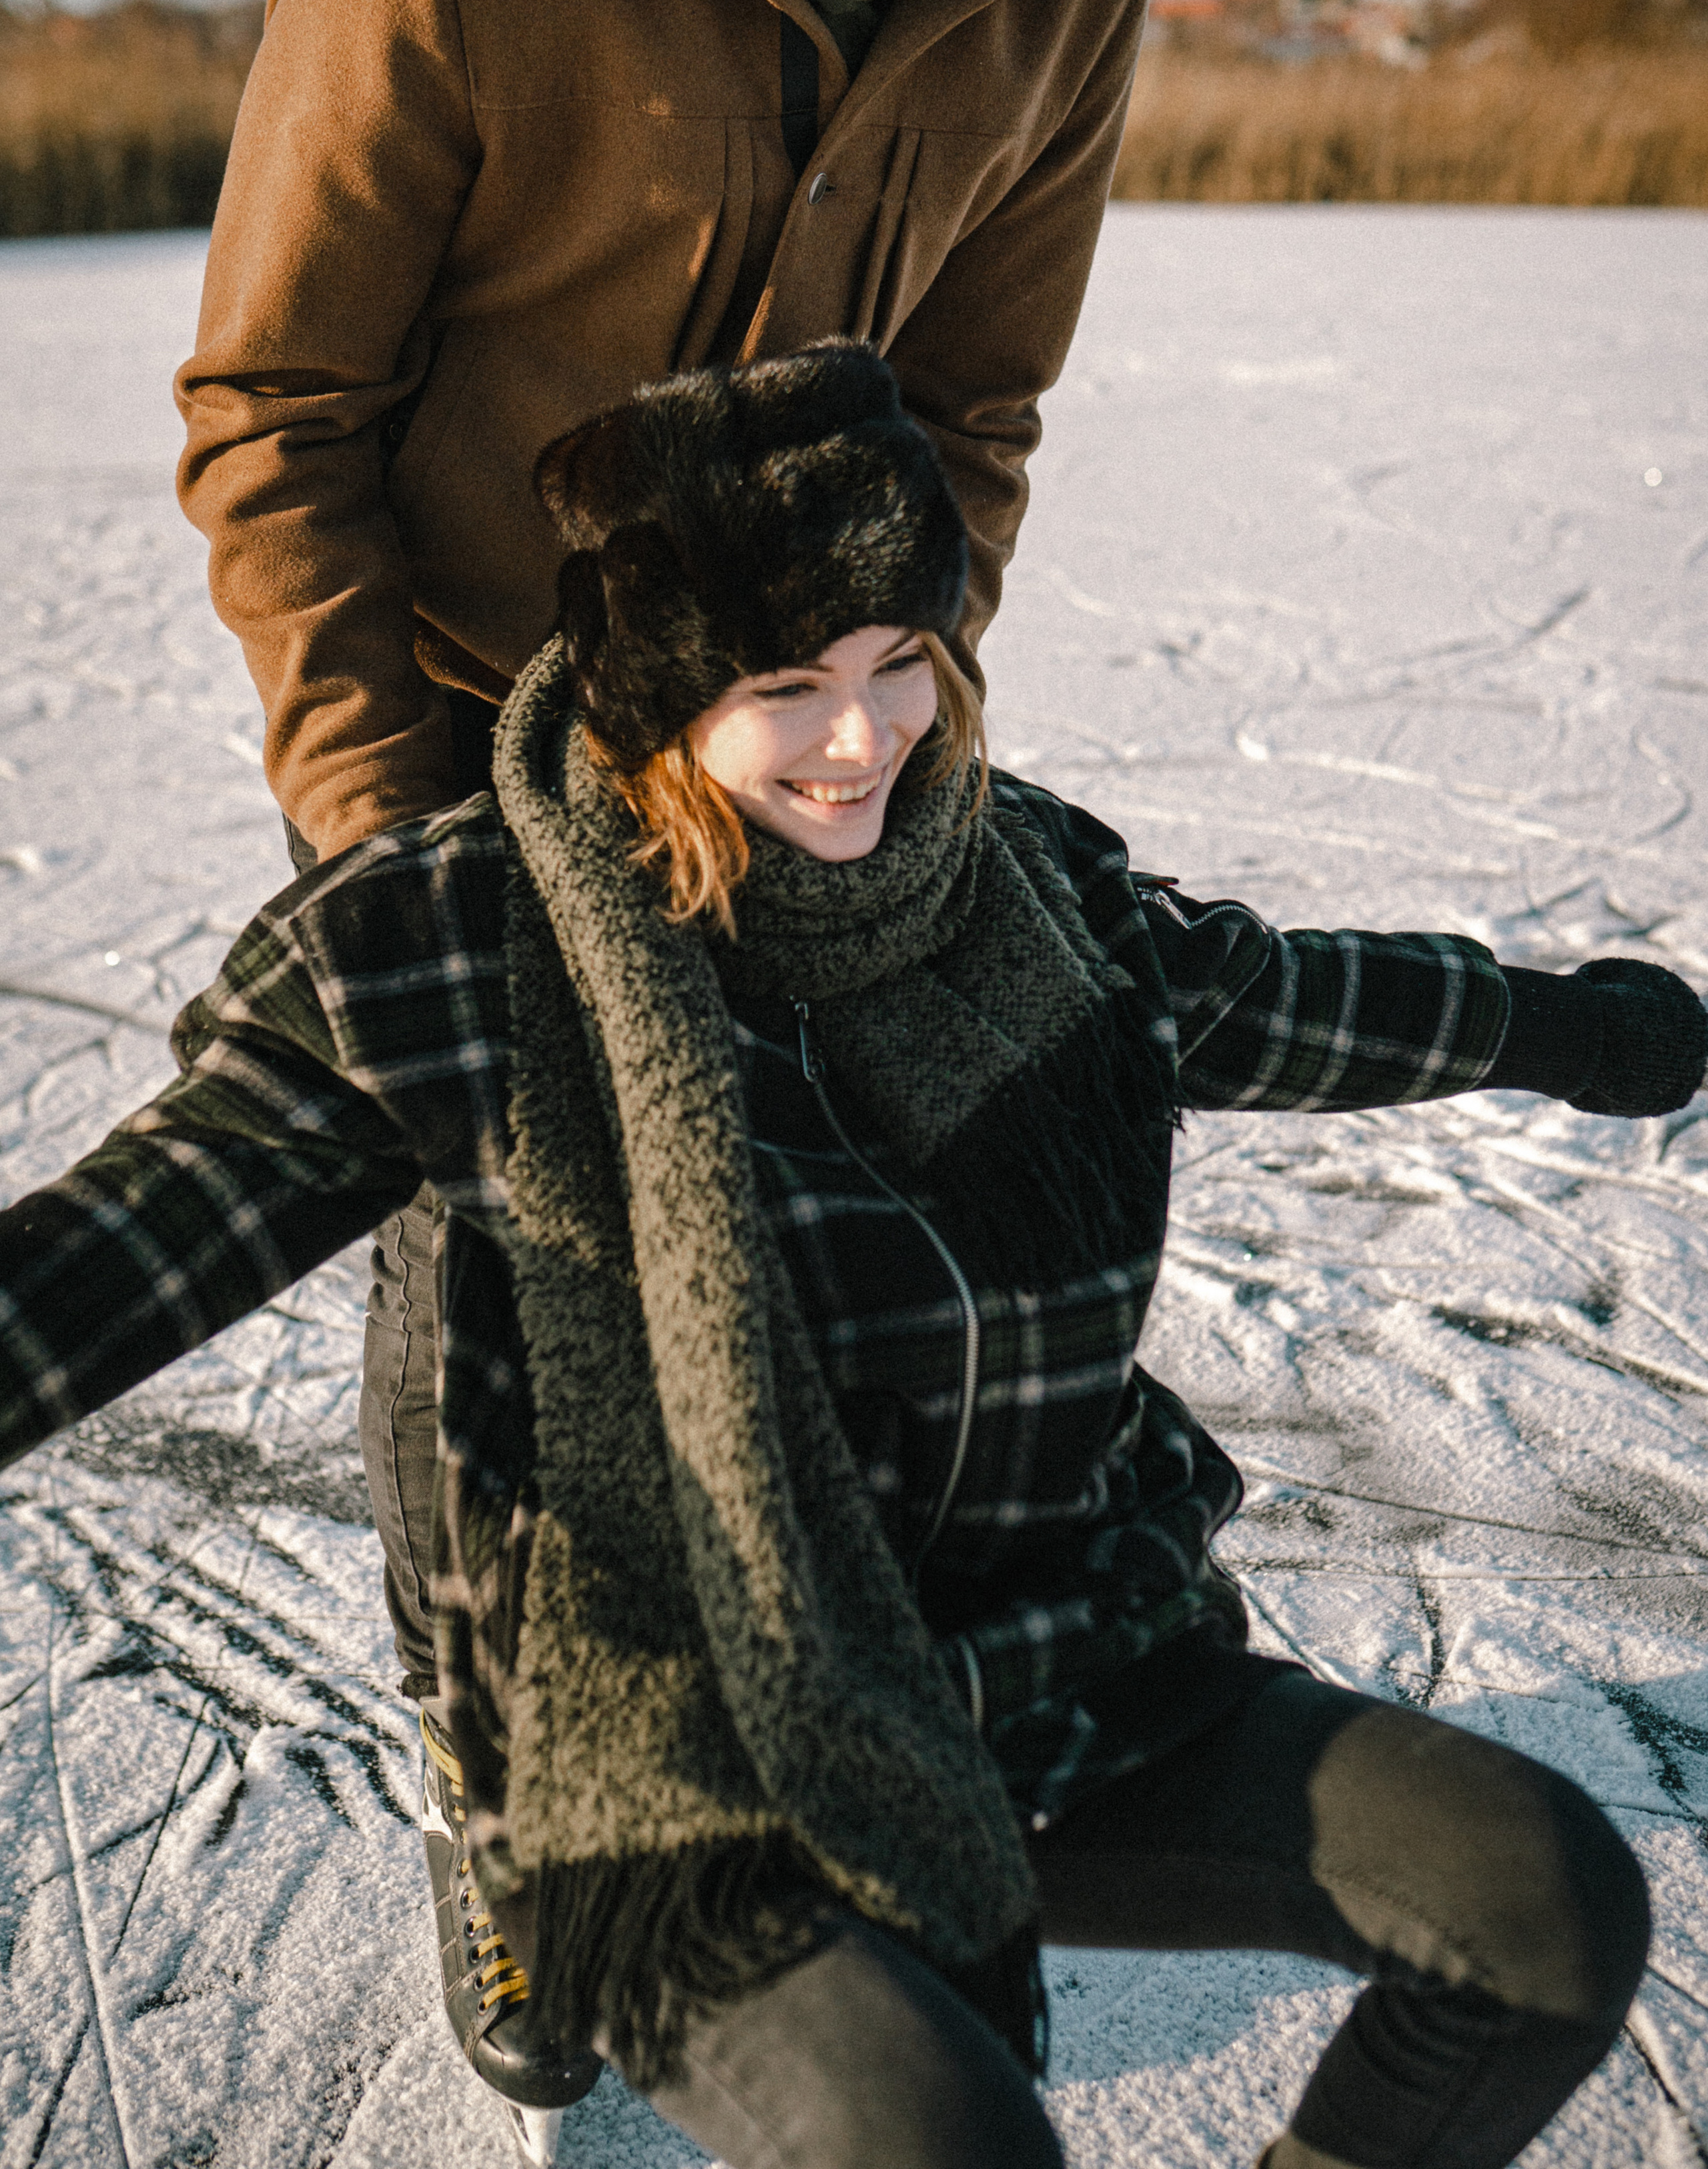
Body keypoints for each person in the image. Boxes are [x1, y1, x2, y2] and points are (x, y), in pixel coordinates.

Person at [1, 345, 1697, 2169]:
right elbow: (141, 1237)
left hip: (1049, 1662)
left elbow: (1279, 999)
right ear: (660, 699)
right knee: (943, 2141)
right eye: (786, 686)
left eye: (900, 663)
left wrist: (1572, 1027)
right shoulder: (463, 946)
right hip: (680, 1744)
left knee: (1543, 1905)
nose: (863, 738)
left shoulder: (1028, 892)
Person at [170, 0, 1152, 2088]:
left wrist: (879, 727)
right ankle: (507, 1797)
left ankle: (804, 1746)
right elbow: (278, 413)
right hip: (467, 751)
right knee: (498, 1300)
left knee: (809, 1259)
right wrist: (405, 853)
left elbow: (976, 404)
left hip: (800, 767)